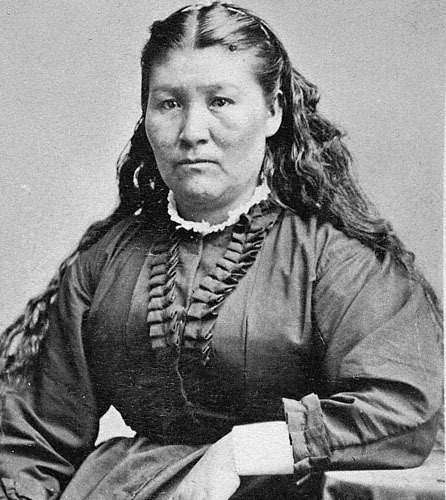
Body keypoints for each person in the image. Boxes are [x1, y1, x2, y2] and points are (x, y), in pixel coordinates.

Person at [0, 2, 442, 499]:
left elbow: (404, 410)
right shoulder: (104, 263)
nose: (192, 132)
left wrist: (241, 452)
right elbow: (33, 441)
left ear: (273, 111)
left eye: (221, 101)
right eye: (169, 104)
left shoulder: (337, 260)